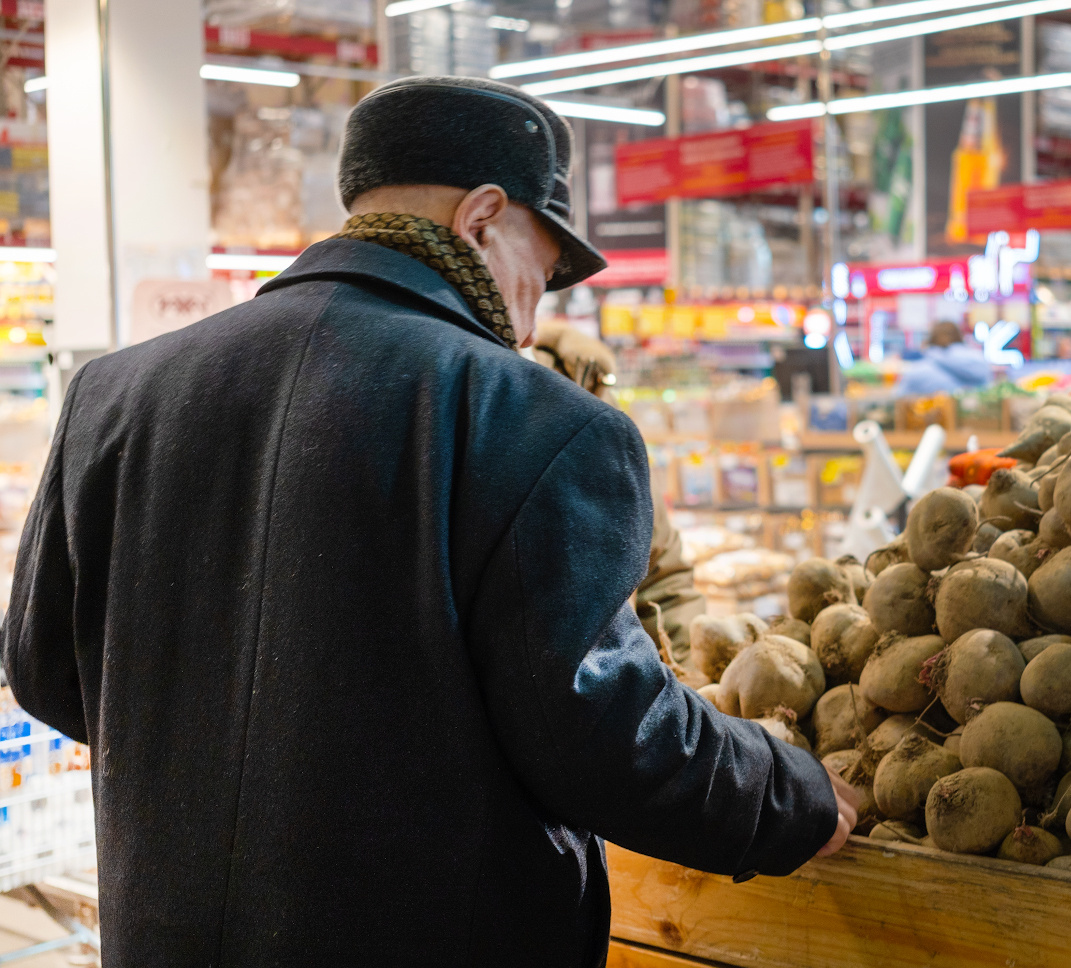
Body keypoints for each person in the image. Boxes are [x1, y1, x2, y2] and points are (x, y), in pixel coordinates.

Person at [3, 76, 857, 967]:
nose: (536, 314)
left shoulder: (115, 394)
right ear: (482, 217)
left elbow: (45, 668)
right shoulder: (538, 424)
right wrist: (786, 791)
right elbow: (609, 740)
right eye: (547, 266)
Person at [533, 320, 706, 661]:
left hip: (618, 698)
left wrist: (690, 675)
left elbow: (663, 578)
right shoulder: (461, 397)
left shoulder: (582, 388)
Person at [895, 320, 994, 396]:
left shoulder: (917, 372)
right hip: (977, 421)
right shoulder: (980, 363)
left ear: (931, 339)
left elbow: (897, 400)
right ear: (960, 337)